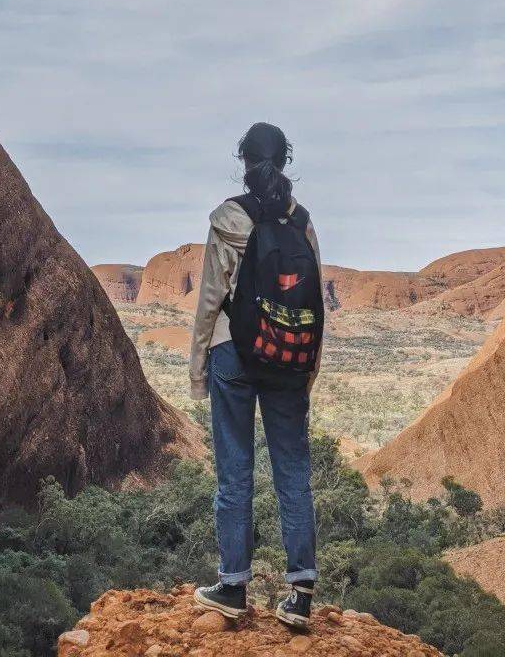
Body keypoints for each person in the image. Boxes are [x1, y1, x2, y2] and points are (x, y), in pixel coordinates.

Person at [190, 122, 323, 631]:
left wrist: (198, 368)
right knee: (293, 472)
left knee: (235, 471)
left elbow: (209, 298)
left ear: (244, 161)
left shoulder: (228, 218)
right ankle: (301, 594)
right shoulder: (302, 222)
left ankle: (232, 586)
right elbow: (313, 302)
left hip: (235, 355)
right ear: (284, 161)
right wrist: (309, 367)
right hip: (288, 358)